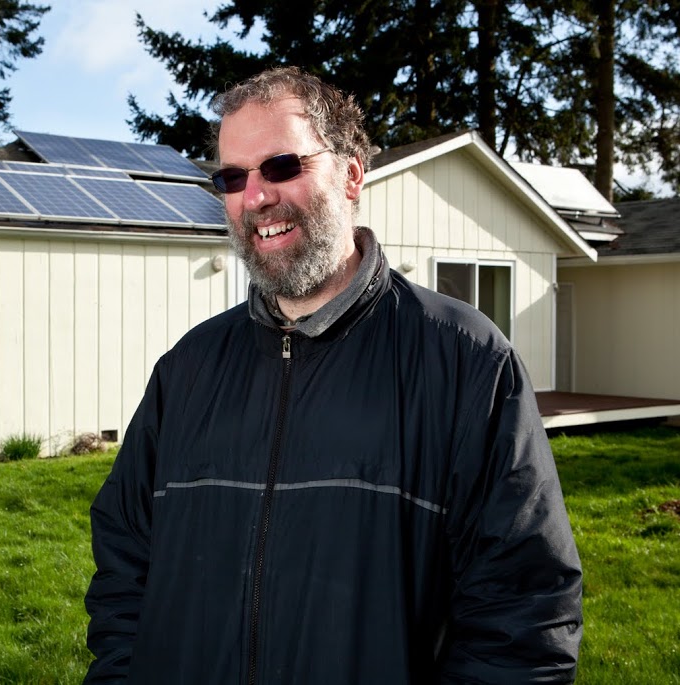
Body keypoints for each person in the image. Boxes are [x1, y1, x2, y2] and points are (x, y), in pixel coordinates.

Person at [83, 66, 583, 684]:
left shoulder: (465, 361)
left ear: (350, 175)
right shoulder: (186, 371)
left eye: (282, 166)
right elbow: (123, 570)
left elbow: (523, 610)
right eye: (232, 177)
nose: (255, 196)